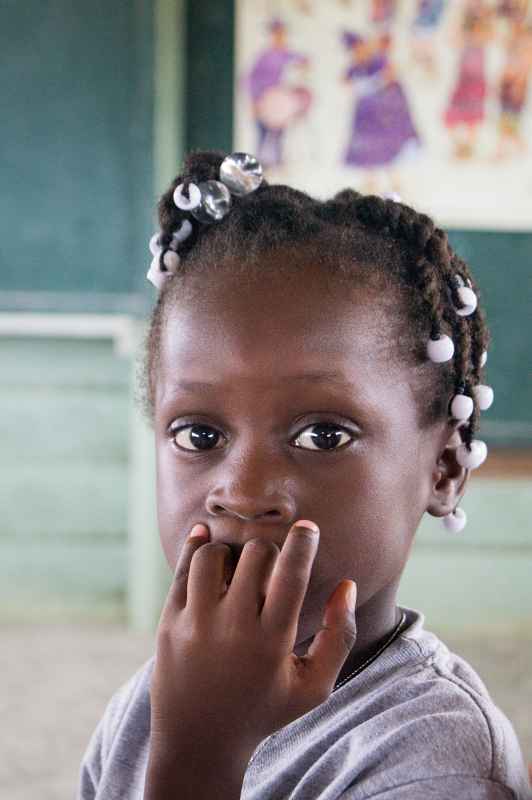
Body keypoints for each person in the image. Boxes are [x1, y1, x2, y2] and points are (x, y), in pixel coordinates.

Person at [77, 149, 531, 799]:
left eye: (323, 435)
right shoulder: (153, 703)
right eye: (199, 434)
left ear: (445, 468)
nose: (244, 492)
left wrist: (202, 757)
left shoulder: (438, 763)